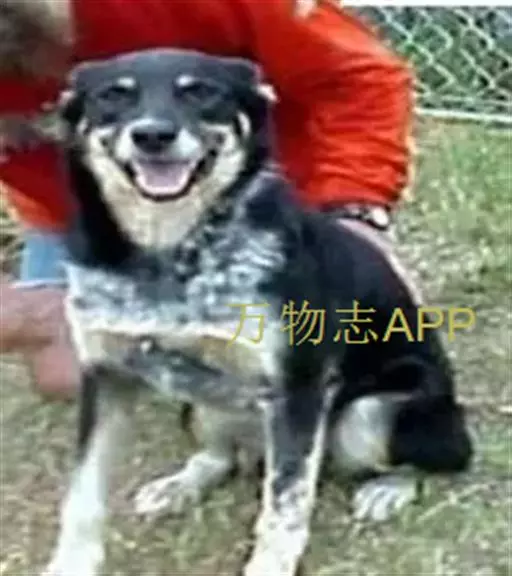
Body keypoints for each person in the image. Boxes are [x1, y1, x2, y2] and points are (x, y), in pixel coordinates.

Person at [0, 0, 414, 400]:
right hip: (85, 212)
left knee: (338, 346)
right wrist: (27, 313)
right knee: (69, 375)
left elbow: (358, 79)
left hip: (264, 192)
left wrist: (353, 211)